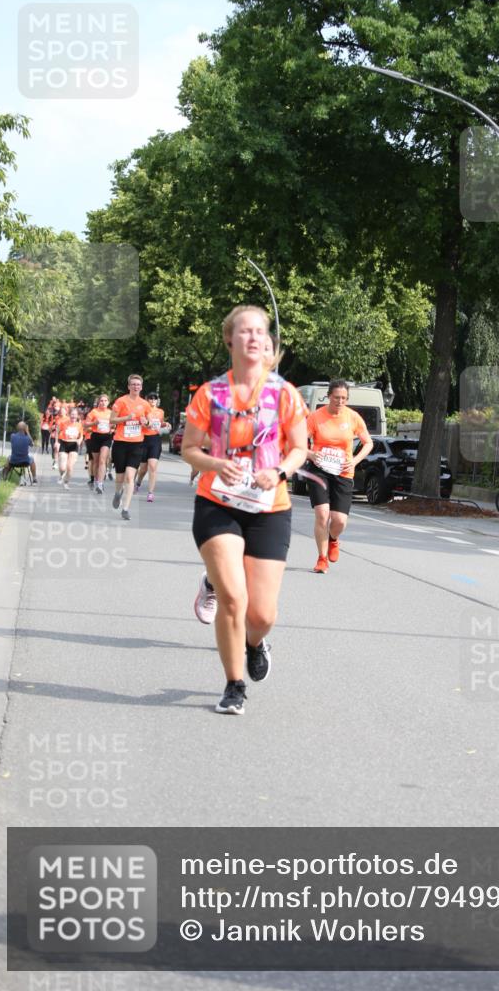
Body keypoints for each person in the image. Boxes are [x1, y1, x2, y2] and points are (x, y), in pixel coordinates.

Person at [182, 305, 307, 715]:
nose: (253, 337)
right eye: (245, 331)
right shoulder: (210, 394)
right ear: (229, 339)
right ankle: (234, 684)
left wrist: (280, 471)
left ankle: (255, 643)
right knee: (234, 599)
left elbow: (300, 449)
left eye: (260, 331)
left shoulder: (285, 394)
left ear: (268, 341)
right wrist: (216, 464)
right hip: (218, 503)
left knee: (262, 614)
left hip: (269, 508)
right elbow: (189, 449)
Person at [305, 380, 373, 573]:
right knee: (322, 514)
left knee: (339, 520)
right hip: (319, 470)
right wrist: (311, 455)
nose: (340, 401)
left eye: (344, 398)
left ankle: (333, 539)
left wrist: (355, 461)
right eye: (336, 397)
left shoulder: (353, 417)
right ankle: (322, 559)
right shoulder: (315, 417)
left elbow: (368, 443)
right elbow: (298, 443)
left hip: (343, 472)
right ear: (329, 396)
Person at [109, 374, 151, 520]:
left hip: (137, 444)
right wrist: (126, 418)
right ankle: (117, 493)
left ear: (141, 387)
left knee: (129, 477)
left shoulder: (145, 404)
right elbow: (111, 420)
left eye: (138, 385)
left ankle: (125, 509)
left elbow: (149, 424)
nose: (135, 387)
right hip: (120, 443)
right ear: (128, 386)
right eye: (133, 384)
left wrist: (146, 422)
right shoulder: (121, 401)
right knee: (120, 477)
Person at [134, 393, 170, 502]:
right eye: (151, 398)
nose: (153, 400)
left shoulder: (160, 411)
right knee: (143, 468)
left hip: (155, 440)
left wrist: (165, 424)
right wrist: (146, 423)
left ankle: (150, 493)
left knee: (153, 466)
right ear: (147, 400)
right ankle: (138, 483)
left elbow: (159, 423)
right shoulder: (142, 410)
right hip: (143, 439)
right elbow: (141, 424)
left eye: (155, 398)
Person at [84, 394, 113, 494]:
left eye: (105, 401)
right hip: (95, 437)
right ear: (98, 402)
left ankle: (100, 484)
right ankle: (96, 480)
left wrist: (113, 427)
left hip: (107, 437)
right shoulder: (94, 412)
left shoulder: (111, 412)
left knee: (102, 460)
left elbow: (115, 424)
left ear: (108, 402)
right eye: (101, 401)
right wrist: (94, 423)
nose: (103, 402)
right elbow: (85, 425)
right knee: (96, 461)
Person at [56, 408, 84, 488]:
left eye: (75, 414)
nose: (73, 416)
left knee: (70, 467)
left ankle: (66, 482)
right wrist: (56, 442)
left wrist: (79, 440)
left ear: (77, 416)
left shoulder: (79, 425)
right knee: (62, 467)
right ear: (69, 415)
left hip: (74, 445)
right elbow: (57, 432)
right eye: (72, 414)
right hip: (64, 444)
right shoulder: (63, 423)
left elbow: (81, 435)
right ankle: (62, 475)